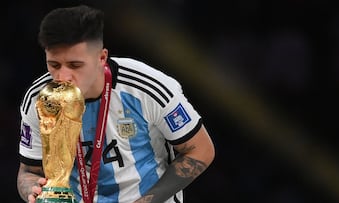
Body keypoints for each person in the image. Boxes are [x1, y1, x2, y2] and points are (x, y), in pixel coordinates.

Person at [17, 4, 215, 203]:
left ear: (102, 57)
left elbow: (201, 149)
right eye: (54, 65)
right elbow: (28, 171)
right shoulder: (38, 99)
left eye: (75, 65)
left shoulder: (147, 86)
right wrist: (33, 191)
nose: (63, 77)